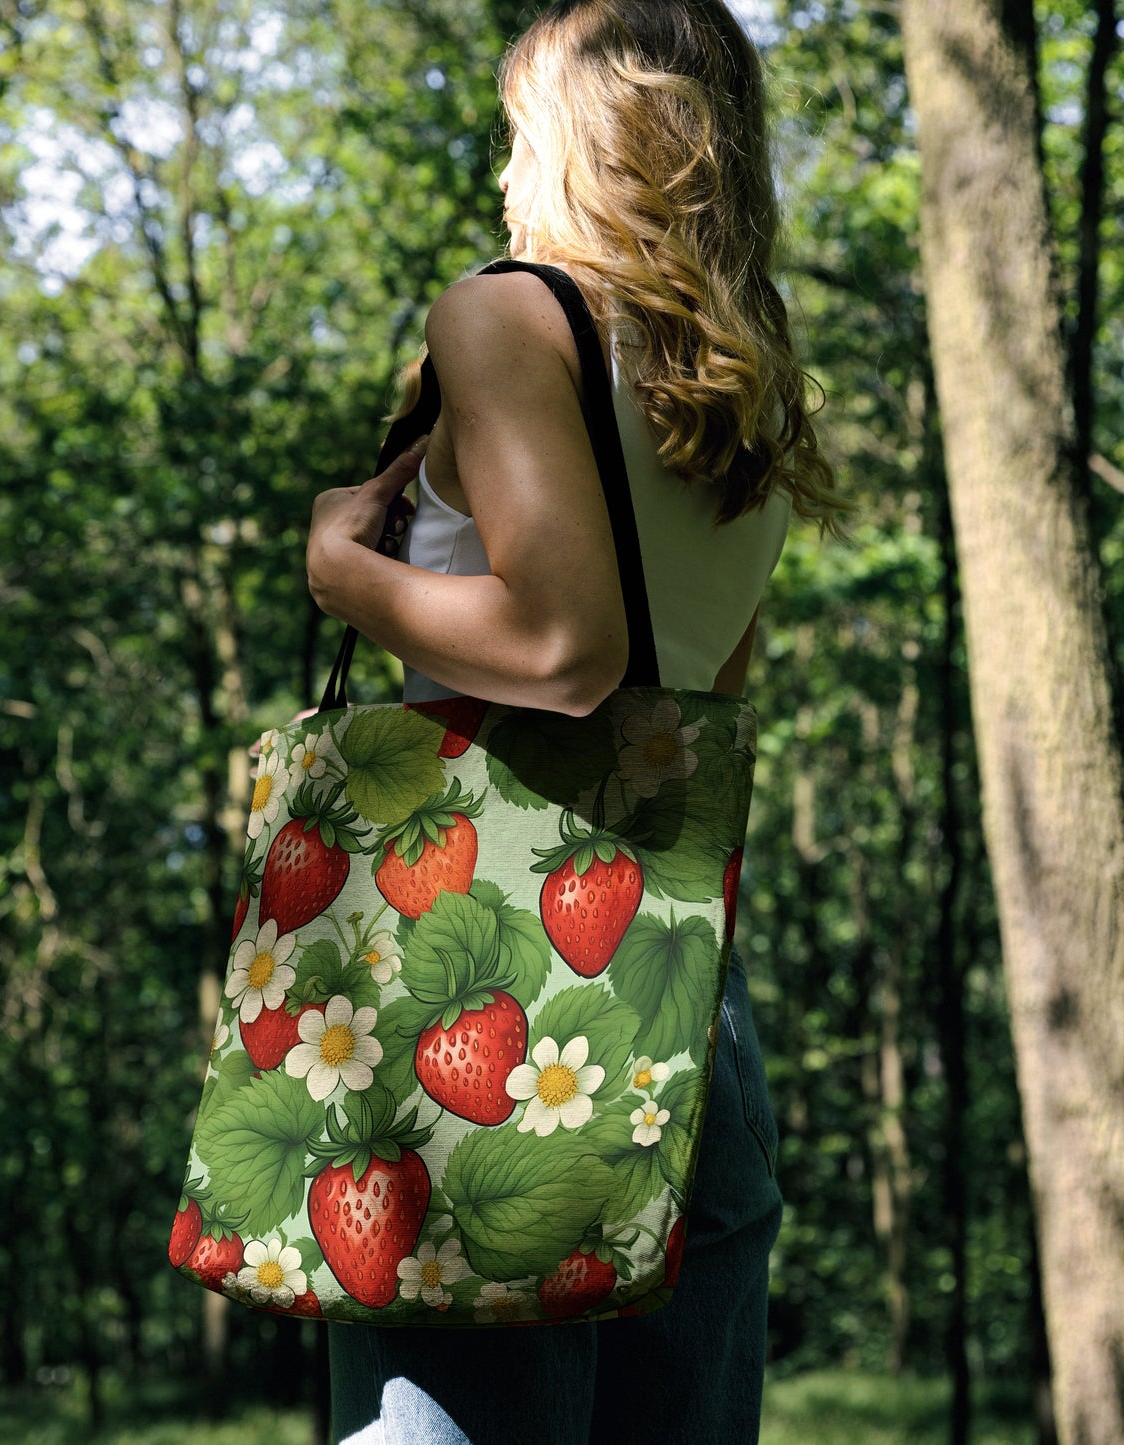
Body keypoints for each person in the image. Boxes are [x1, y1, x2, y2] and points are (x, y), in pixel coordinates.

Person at [304, 2, 845, 1441]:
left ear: (582, 138)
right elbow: (700, 712)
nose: (499, 168)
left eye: (516, 124)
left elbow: (565, 647)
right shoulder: (736, 391)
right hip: (682, 1006)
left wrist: (343, 569)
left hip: (485, 986)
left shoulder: (501, 317)